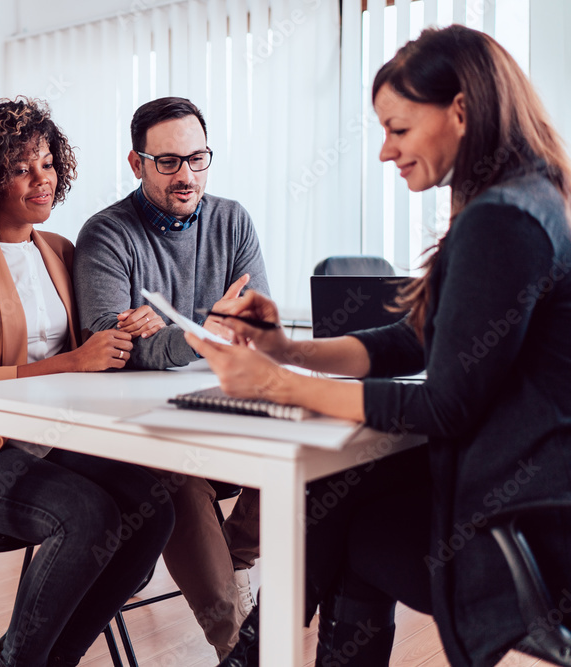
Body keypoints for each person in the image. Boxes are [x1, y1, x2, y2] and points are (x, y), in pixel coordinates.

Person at [192, 25, 571, 667]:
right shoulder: (522, 198)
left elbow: (445, 407)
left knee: (338, 511)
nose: (383, 152)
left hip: (529, 533)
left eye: (398, 129)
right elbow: (413, 341)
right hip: (528, 495)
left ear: (461, 110)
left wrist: (274, 386)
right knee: (340, 503)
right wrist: (286, 350)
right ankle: (251, 657)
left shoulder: (503, 220)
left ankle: (248, 658)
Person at [0, 98, 176, 667]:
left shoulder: (59, 250)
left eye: (49, 164)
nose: (42, 180)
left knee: (154, 506)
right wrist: (75, 361)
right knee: (87, 516)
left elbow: (84, 350)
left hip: (51, 440)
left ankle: (49, 659)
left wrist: (124, 332)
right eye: (22, 168)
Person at [74, 96, 268, 661]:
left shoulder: (232, 220)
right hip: (142, 426)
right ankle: (238, 649)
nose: (187, 175)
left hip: (218, 400)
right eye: (168, 162)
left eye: (198, 158)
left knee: (305, 442)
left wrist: (174, 336)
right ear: (136, 164)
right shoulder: (108, 235)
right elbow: (113, 349)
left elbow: (253, 322)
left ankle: (233, 559)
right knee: (177, 479)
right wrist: (204, 329)